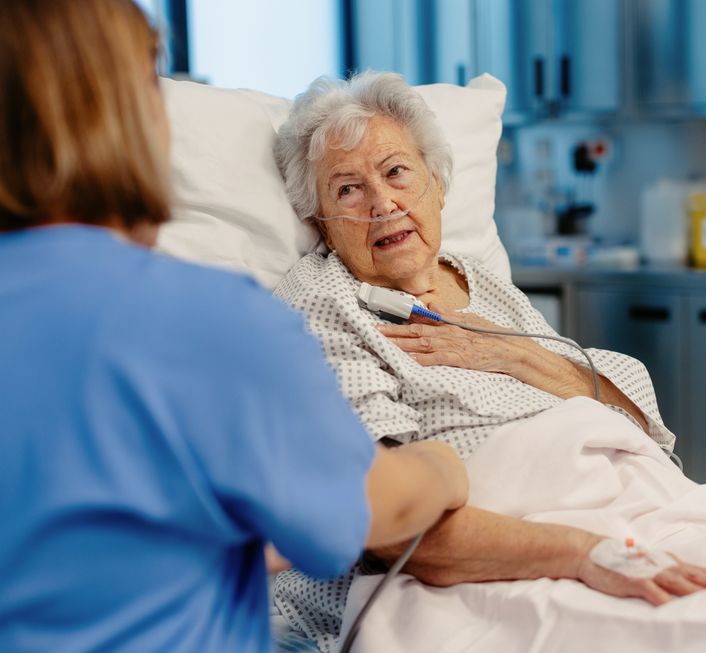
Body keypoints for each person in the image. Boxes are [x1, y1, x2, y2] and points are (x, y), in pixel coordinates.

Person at [0, 3, 468, 652]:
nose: (383, 202)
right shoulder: (207, 324)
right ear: (130, 117)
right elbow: (374, 512)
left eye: (396, 173)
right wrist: (444, 465)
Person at [271, 71, 706, 649]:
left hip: (639, 513)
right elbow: (393, 529)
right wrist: (585, 553)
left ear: (436, 186)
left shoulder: (479, 281)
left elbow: (638, 431)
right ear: (322, 227)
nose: (382, 203)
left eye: (395, 172)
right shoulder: (322, 305)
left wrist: (520, 355)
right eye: (347, 189)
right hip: (486, 570)